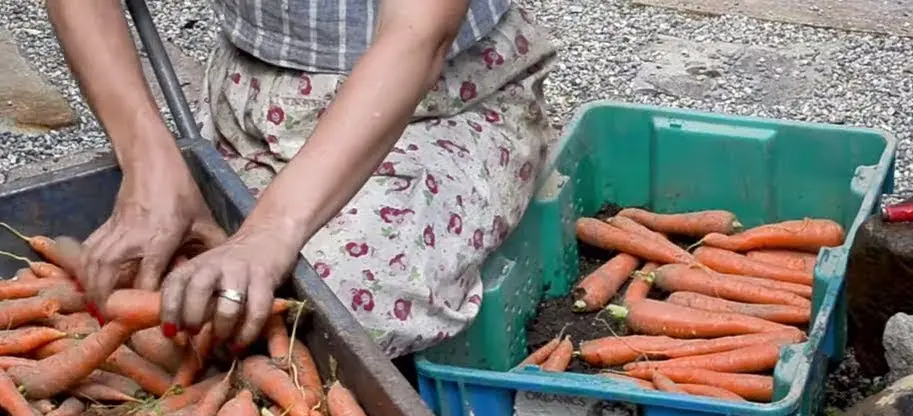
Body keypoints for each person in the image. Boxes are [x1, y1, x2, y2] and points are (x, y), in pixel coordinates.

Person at [46, 0, 556, 357]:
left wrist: (269, 233)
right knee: (165, 270)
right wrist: (148, 160)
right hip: (250, 95)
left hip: (431, 103)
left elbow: (420, 34)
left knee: (315, 308)